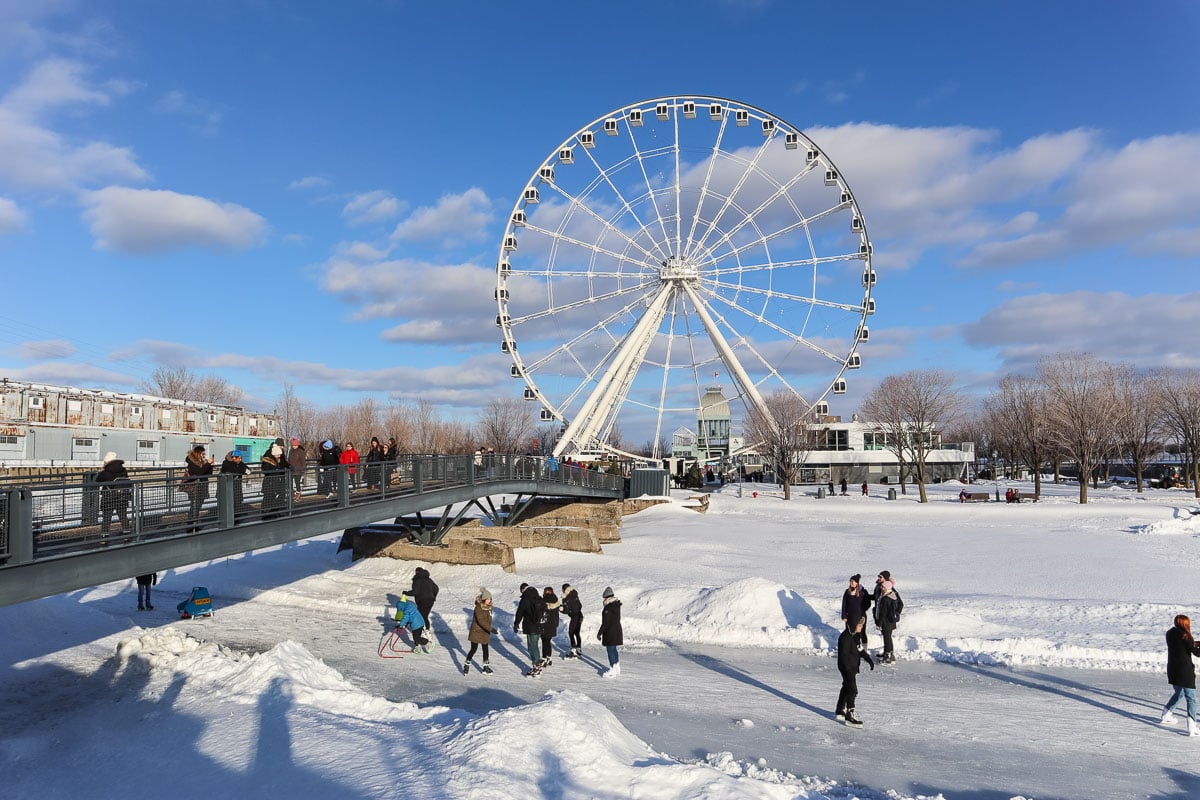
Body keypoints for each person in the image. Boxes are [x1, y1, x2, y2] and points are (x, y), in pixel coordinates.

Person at [1161, 614, 1200, 735]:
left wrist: (1195, 642)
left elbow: (1185, 645)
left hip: (1173, 670)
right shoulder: (1185, 636)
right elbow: (1197, 653)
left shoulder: (1170, 633)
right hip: (1185, 672)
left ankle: (1166, 713)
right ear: (1185, 624)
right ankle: (1192, 726)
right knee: (1191, 698)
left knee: (1180, 693)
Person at [836, 617, 874, 727]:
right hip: (846, 667)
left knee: (846, 687)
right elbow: (843, 657)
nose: (862, 627)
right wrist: (848, 670)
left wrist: (869, 660)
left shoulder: (855, 636)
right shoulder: (845, 638)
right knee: (852, 690)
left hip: (852, 667)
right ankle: (850, 715)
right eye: (860, 625)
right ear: (853, 625)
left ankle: (840, 709)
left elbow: (860, 649)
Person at [95, 451, 132, 537]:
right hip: (122, 496)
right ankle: (126, 533)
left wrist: (100, 472)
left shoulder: (106, 472)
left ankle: (105, 534)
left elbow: (97, 480)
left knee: (107, 517)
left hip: (108, 497)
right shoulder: (123, 470)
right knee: (123, 516)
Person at [514, 582, 546, 675]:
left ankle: (536, 666)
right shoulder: (537, 596)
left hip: (531, 626)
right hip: (539, 625)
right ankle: (537, 663)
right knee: (535, 645)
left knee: (531, 647)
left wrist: (516, 624)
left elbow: (520, 613)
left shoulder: (525, 599)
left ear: (523, 589)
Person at [872, 570, 904, 663]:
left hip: (886, 619)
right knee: (886, 636)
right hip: (881, 616)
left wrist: (894, 614)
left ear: (885, 579)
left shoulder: (890, 590)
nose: (878, 578)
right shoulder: (879, 587)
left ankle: (889, 654)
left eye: (880, 577)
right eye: (878, 576)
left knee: (887, 636)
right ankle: (887, 652)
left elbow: (900, 604)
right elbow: (875, 597)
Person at [464, 588, 497, 675]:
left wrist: (489, 629)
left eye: (490, 599)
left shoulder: (489, 607)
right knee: (473, 649)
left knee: (485, 649)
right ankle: (467, 664)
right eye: (488, 599)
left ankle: (485, 667)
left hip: (485, 632)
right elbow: (481, 621)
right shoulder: (478, 608)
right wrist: (491, 629)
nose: (489, 600)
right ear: (483, 599)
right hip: (476, 631)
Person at [183, 444, 214, 533]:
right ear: (198, 454)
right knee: (194, 507)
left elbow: (208, 473)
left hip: (202, 487)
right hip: (195, 488)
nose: (204, 456)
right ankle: (190, 527)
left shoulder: (201, 462)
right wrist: (207, 464)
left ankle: (194, 525)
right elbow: (199, 472)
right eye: (202, 454)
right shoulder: (192, 463)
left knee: (197, 507)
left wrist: (211, 465)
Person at [841, 574, 873, 649]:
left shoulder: (863, 592)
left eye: (853, 581)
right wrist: (844, 615)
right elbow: (844, 604)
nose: (851, 583)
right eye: (850, 581)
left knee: (861, 633)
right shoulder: (847, 591)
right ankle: (852, 648)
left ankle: (864, 650)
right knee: (850, 632)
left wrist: (862, 611)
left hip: (860, 616)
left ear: (857, 583)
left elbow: (868, 603)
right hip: (850, 616)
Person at [597, 586, 623, 677]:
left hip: (610, 632)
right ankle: (616, 667)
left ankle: (612, 669)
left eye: (604, 598)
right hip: (616, 630)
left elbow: (605, 622)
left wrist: (600, 633)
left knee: (610, 650)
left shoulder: (608, 608)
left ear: (607, 597)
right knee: (614, 649)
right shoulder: (616, 605)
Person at [260, 441, 289, 519]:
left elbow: (283, 464)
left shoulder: (278, 459)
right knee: (268, 498)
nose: (280, 456)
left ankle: (273, 512)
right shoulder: (268, 460)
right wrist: (275, 469)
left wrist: (288, 466)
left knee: (275, 498)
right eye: (278, 454)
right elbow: (265, 469)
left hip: (276, 482)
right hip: (269, 483)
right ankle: (265, 513)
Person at [409, 566, 439, 640]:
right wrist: (432, 596)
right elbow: (436, 588)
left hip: (423, 600)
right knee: (424, 616)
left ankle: (422, 631)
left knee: (420, 616)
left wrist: (406, 593)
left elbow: (415, 592)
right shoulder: (429, 580)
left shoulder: (417, 579)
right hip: (430, 600)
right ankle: (426, 630)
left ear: (417, 572)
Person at [219, 450, 249, 518]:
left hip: (237, 487)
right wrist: (242, 470)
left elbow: (248, 471)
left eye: (241, 458)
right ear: (234, 458)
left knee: (237, 502)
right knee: (228, 503)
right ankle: (228, 518)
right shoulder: (226, 463)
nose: (240, 460)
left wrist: (243, 469)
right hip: (228, 487)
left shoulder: (240, 463)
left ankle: (236, 517)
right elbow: (231, 470)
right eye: (239, 458)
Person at [561, 583, 584, 658]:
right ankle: (579, 649)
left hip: (574, 616)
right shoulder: (574, 593)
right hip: (580, 615)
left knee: (571, 633)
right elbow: (580, 605)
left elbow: (566, 610)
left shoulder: (566, 597)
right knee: (577, 632)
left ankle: (573, 650)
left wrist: (560, 609)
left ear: (564, 590)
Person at [541, 586, 561, 664]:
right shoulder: (556, 601)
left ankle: (544, 657)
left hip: (544, 624)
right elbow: (557, 615)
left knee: (544, 641)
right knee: (548, 641)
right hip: (552, 624)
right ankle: (549, 657)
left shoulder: (543, 601)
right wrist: (556, 624)